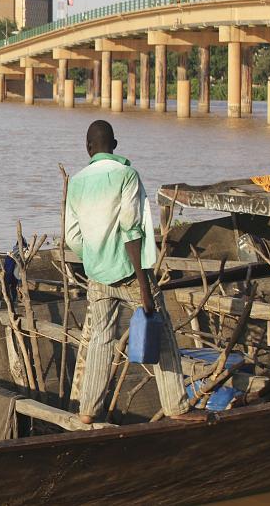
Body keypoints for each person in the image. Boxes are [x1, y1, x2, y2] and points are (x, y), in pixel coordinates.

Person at [65, 120, 201, 424]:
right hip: (130, 272)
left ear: (88, 148)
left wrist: (95, 259)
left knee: (100, 339)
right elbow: (131, 229)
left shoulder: (77, 182)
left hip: (97, 274)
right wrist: (143, 285)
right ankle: (177, 407)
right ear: (115, 144)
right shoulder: (126, 175)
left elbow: (73, 237)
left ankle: (88, 410)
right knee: (162, 330)